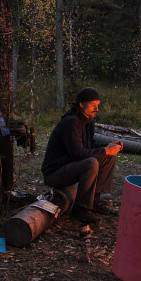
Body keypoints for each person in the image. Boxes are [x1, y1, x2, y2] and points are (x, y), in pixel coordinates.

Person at [41, 87, 122, 225]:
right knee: (91, 163)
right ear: (81, 104)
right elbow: (78, 154)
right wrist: (105, 150)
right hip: (54, 173)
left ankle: (95, 202)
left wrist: (108, 147)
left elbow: (89, 145)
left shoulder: (87, 120)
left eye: (98, 105)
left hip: (69, 167)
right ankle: (80, 209)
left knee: (109, 157)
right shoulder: (71, 122)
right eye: (92, 105)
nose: (96, 109)